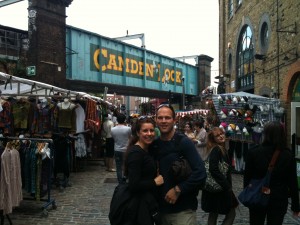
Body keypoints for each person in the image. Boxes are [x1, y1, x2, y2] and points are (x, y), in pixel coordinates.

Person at [150, 104, 206, 225]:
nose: (163, 121)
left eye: (167, 117)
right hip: (161, 211)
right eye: (160, 118)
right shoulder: (154, 145)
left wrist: (178, 189)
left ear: (174, 120)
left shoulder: (184, 142)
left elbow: (200, 172)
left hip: (182, 211)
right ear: (156, 120)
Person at [243, 121, 300, 225]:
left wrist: (248, 194)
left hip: (257, 195)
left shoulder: (254, 152)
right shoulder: (287, 155)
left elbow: (247, 178)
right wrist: (296, 205)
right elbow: (292, 182)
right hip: (278, 198)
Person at [123, 116, 164, 225]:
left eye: (151, 130)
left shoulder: (147, 149)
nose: (149, 133)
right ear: (138, 133)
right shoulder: (136, 154)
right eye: (145, 131)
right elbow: (133, 185)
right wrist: (155, 182)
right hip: (139, 205)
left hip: (147, 202)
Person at [201, 127, 237, 225]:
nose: (221, 136)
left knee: (213, 213)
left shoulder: (219, 148)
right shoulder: (217, 149)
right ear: (213, 139)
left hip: (214, 188)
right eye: (217, 136)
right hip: (220, 188)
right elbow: (213, 169)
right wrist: (226, 185)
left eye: (221, 134)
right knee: (231, 213)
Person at [111, 113, 132, 183]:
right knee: (126, 165)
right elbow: (130, 138)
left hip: (117, 149)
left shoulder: (113, 129)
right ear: (124, 120)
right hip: (126, 149)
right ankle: (126, 178)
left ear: (117, 120)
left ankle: (120, 181)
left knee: (118, 166)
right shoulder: (128, 129)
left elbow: (114, 138)